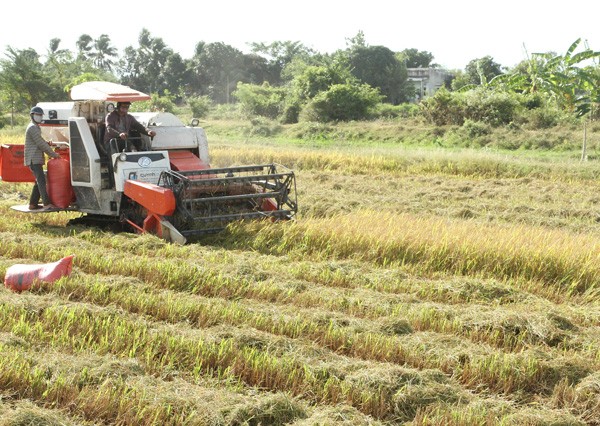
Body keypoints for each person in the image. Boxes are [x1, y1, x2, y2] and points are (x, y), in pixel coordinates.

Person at [24, 106, 61, 210]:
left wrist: (48, 143)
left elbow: (39, 141)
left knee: (38, 180)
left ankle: (33, 204)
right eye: (38, 115)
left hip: (35, 159)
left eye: (40, 115)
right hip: (33, 159)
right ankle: (46, 203)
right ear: (32, 115)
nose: (39, 117)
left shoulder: (35, 127)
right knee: (41, 181)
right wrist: (54, 154)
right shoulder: (32, 127)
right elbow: (40, 144)